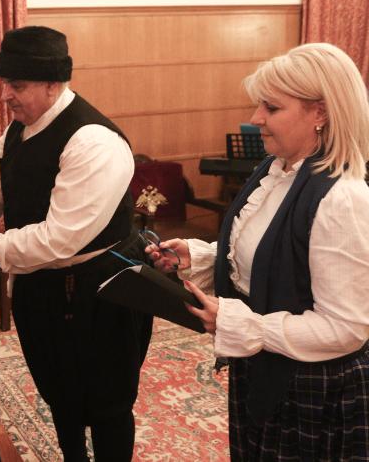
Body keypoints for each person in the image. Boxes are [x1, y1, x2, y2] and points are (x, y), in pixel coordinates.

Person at [0, 25, 152, 461]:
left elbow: (59, 239)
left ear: (53, 83)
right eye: (4, 83)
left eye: (17, 85)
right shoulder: (17, 129)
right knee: (60, 392)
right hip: (39, 285)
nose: (5, 96)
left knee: (107, 402)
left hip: (100, 291)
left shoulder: (94, 142)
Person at [148, 43, 369, 460]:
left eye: (272, 108)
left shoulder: (342, 199)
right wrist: (202, 256)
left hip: (310, 384)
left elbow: (346, 329)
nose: (256, 119)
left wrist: (244, 326)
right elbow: (272, 251)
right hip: (266, 363)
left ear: (320, 113)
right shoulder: (275, 169)